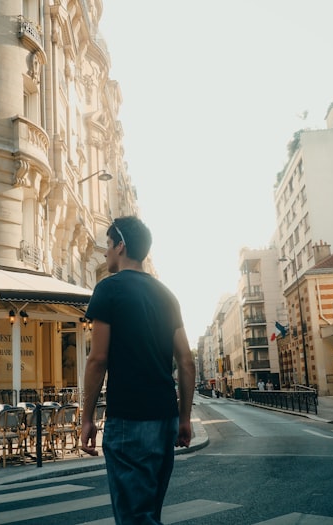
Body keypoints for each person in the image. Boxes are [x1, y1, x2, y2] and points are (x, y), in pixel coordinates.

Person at [80, 216, 196, 525]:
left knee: (134, 518)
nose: (105, 253)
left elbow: (97, 359)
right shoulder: (167, 295)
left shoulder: (108, 289)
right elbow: (186, 361)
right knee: (149, 512)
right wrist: (184, 418)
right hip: (165, 418)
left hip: (129, 419)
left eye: (108, 245)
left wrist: (86, 418)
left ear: (121, 245)